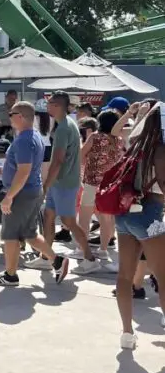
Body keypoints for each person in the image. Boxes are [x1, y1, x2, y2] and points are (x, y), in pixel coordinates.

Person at [0, 100, 69, 287]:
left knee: (10, 235)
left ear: (21, 117)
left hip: (21, 194)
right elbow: (25, 169)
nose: (9, 118)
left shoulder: (24, 140)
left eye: (11, 114)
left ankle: (10, 275)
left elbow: (24, 171)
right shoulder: (34, 136)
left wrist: (8, 197)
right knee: (29, 233)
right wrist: (5, 171)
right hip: (30, 191)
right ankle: (56, 261)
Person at [113, 104, 165, 351]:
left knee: (124, 275)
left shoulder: (135, 143)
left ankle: (126, 334)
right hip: (150, 214)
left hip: (124, 213)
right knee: (162, 275)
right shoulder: (160, 149)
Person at [43, 91, 98, 273]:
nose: (47, 106)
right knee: (49, 216)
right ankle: (46, 256)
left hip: (64, 182)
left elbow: (58, 160)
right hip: (60, 182)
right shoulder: (67, 124)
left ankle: (90, 259)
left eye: (49, 103)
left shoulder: (64, 128)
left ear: (57, 106)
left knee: (69, 221)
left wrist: (45, 185)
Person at [80, 110, 123, 263]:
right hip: (109, 184)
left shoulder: (95, 137)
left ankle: (82, 248)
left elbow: (81, 156)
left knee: (84, 216)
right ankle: (103, 249)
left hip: (92, 181)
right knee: (106, 217)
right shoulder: (119, 140)